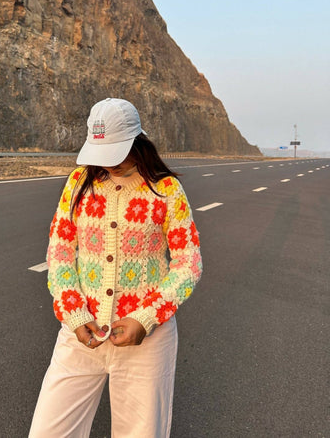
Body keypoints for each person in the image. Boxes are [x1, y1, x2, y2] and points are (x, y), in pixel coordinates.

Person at [29, 98, 202, 438]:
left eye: (117, 153)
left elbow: (188, 264)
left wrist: (145, 318)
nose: (108, 164)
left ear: (138, 142)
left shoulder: (166, 190)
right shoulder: (79, 182)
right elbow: (61, 251)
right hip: (82, 333)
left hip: (147, 342)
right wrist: (75, 315)